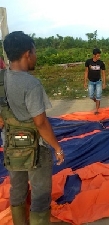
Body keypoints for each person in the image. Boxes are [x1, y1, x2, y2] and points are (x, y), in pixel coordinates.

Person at [1, 31, 64, 224]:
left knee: (17, 188)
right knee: (40, 194)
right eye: (35, 52)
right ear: (27, 53)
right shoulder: (32, 84)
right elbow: (41, 122)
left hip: (11, 145)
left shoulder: (1, 79)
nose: (36, 56)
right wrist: (57, 148)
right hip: (36, 148)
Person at [84, 48, 106, 115]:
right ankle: (96, 100)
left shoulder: (101, 63)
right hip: (91, 82)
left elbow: (103, 73)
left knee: (98, 96)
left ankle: (97, 110)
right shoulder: (88, 62)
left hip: (98, 82)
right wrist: (85, 82)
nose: (99, 57)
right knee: (91, 95)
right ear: (94, 55)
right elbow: (86, 72)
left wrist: (104, 83)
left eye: (99, 55)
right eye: (97, 56)